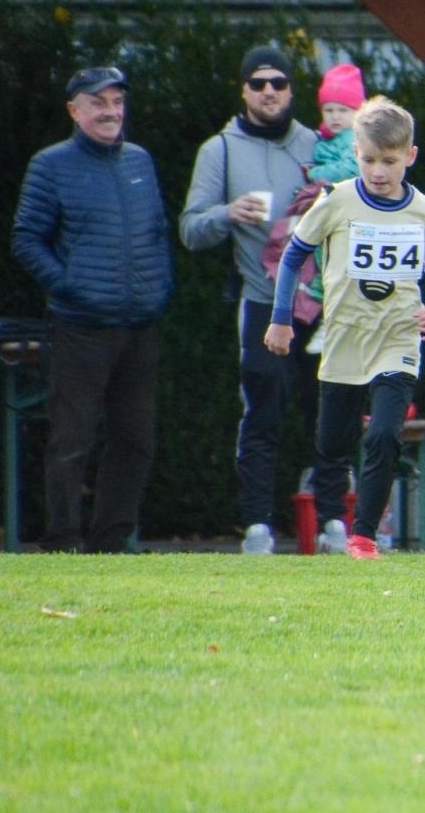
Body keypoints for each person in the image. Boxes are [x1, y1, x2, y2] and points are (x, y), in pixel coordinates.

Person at [263, 100, 425, 559]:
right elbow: (293, 256)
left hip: (398, 337)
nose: (379, 171)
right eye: (369, 160)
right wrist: (281, 319)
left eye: (389, 161)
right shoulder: (337, 200)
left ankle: (363, 536)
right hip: (345, 337)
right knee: (331, 443)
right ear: (356, 152)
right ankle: (338, 509)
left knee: (385, 436)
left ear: (410, 156)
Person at [11, 66, 174, 553]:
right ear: (74, 110)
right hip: (81, 324)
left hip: (140, 322)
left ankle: (111, 542)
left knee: (136, 441)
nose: (110, 111)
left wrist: (159, 287)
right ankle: (62, 541)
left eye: (117, 102)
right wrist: (70, 285)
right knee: (72, 439)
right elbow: (25, 239)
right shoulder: (50, 164)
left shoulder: (140, 160)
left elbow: (158, 233)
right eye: (98, 102)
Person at [179, 46, 320, 555]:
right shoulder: (220, 149)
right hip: (262, 302)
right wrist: (228, 214)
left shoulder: (317, 142)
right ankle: (257, 525)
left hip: (321, 303)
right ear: (243, 90)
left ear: (291, 90)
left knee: (327, 412)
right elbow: (191, 229)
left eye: (278, 83)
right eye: (258, 83)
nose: (268, 92)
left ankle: (333, 525)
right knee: (263, 411)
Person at [306, 63, 366, 184]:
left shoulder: (355, 138)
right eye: (329, 110)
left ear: (358, 112)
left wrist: (314, 173)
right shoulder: (324, 137)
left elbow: (352, 169)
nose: (335, 116)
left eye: (343, 110)